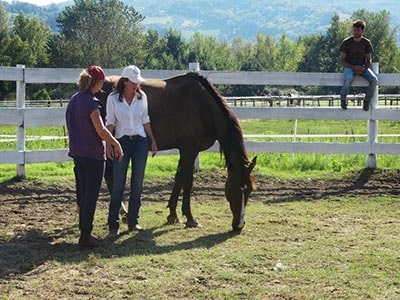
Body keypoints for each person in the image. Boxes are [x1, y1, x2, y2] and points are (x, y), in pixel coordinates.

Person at [66, 65, 124, 248]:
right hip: (93, 155)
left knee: (82, 194)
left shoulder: (74, 100)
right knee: (91, 196)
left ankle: (84, 231)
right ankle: (85, 235)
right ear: (96, 83)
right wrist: (115, 143)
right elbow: (101, 129)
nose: (103, 86)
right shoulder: (92, 103)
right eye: (101, 83)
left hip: (77, 153)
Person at [106, 65, 158, 237]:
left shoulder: (141, 97)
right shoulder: (113, 99)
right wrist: (109, 143)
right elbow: (110, 123)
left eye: (137, 82)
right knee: (118, 184)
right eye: (133, 82)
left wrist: (152, 140)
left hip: (140, 142)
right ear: (125, 82)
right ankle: (113, 225)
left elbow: (145, 119)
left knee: (138, 183)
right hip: (122, 142)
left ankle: (133, 221)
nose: (137, 85)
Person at [339, 19, 378, 111]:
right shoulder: (346, 43)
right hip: (349, 67)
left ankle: (367, 100)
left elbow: (369, 59)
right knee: (349, 78)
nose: (356, 32)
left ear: (362, 31)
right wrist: (353, 67)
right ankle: (343, 98)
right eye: (354, 30)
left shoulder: (366, 43)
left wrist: (364, 68)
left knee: (374, 80)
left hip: (362, 67)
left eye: (358, 30)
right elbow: (342, 60)